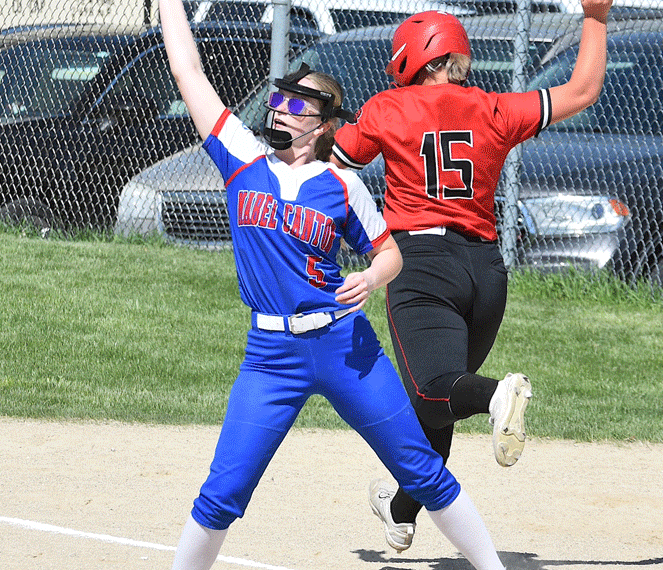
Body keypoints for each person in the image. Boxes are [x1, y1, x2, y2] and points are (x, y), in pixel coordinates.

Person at [159, 0, 515, 568]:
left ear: (323, 124)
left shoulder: (343, 186)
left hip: (346, 348)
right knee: (223, 491)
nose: (279, 110)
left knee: (420, 470)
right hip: (271, 354)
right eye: (278, 99)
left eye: (295, 104)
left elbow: (391, 253)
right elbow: (188, 71)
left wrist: (371, 277)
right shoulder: (241, 158)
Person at [331, 0, 613, 553]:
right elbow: (581, 92)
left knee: (439, 392)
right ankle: (400, 507)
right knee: (438, 401)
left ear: (412, 61)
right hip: (486, 273)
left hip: (422, 266)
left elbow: (333, 171)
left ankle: (497, 397)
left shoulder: (390, 108)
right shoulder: (494, 108)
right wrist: (597, 18)